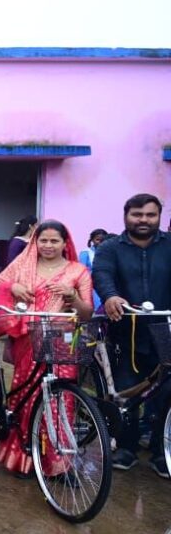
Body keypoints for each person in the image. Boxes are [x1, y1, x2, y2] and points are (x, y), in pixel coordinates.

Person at [0, 221, 93, 476]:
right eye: (43, 240)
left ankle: (58, 464)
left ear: (64, 243)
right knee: (27, 396)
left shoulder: (78, 271)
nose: (48, 245)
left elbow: (87, 313)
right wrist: (12, 287)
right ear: (35, 242)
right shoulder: (23, 265)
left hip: (61, 343)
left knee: (61, 398)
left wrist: (72, 297)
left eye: (54, 241)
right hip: (28, 340)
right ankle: (25, 457)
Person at [93, 194, 171, 476]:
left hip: (165, 329)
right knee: (127, 392)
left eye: (150, 215)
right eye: (137, 215)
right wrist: (111, 296)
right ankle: (127, 447)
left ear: (159, 217)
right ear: (126, 216)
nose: (143, 220)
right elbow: (102, 275)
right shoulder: (110, 247)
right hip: (125, 329)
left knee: (166, 393)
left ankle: (161, 451)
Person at [79, 228, 108, 310]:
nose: (100, 242)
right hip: (91, 286)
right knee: (95, 307)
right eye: (97, 240)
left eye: (103, 240)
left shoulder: (109, 252)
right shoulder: (86, 253)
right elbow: (81, 271)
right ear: (92, 240)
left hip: (106, 284)